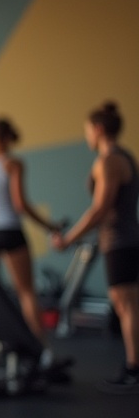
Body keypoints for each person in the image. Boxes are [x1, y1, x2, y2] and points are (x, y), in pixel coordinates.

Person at [52, 101, 139, 394]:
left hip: (121, 241)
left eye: (88, 130)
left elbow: (99, 209)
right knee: (126, 305)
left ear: (99, 129)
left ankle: (133, 367)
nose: (86, 136)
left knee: (127, 306)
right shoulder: (119, 156)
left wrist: (68, 239)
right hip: (119, 240)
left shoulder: (109, 161)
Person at [0, 117, 60, 341]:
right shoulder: (14, 164)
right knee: (26, 291)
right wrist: (50, 226)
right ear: (8, 137)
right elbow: (20, 205)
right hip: (8, 229)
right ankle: (41, 348)